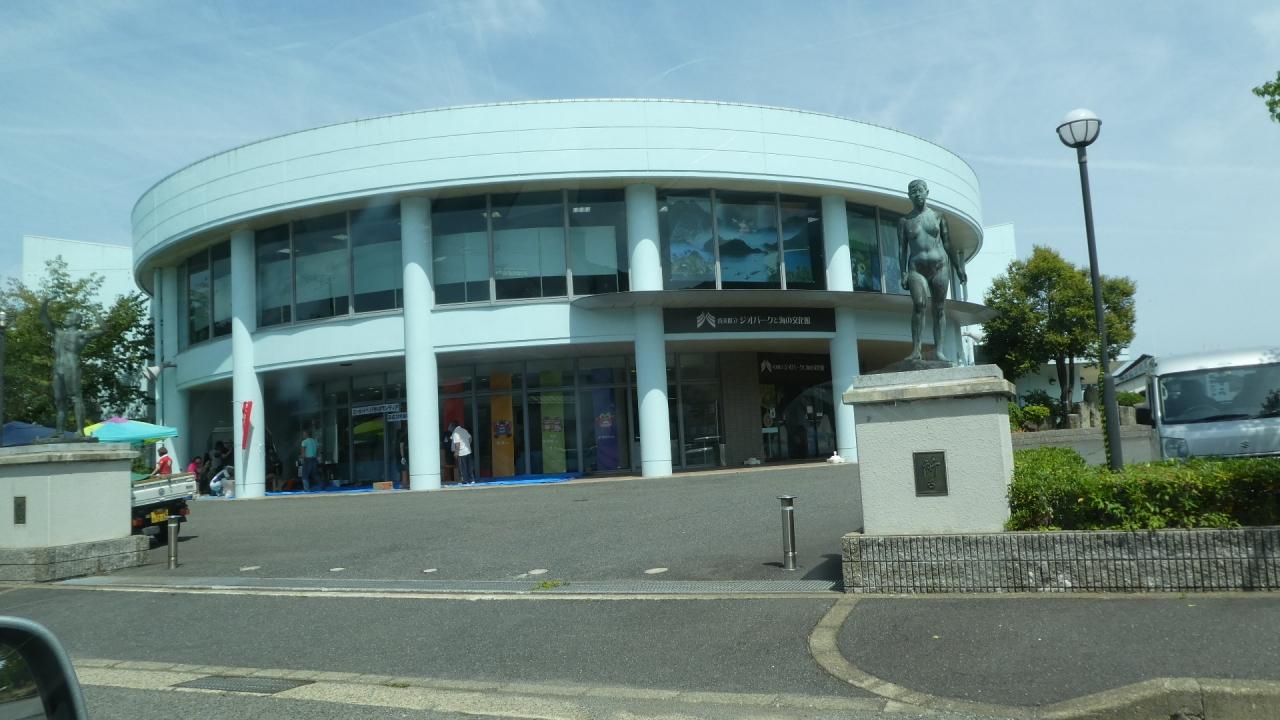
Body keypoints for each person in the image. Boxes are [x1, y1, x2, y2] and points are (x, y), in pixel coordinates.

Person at [898, 179, 966, 363]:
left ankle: (939, 351)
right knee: (919, 304)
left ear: (927, 192)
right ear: (909, 196)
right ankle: (916, 350)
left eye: (920, 190)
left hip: (939, 266)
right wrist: (903, 273)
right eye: (913, 192)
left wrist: (959, 268)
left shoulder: (938, 216)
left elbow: (948, 244)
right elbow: (902, 249)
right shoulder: (904, 221)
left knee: (939, 307)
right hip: (916, 268)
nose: (917, 194)